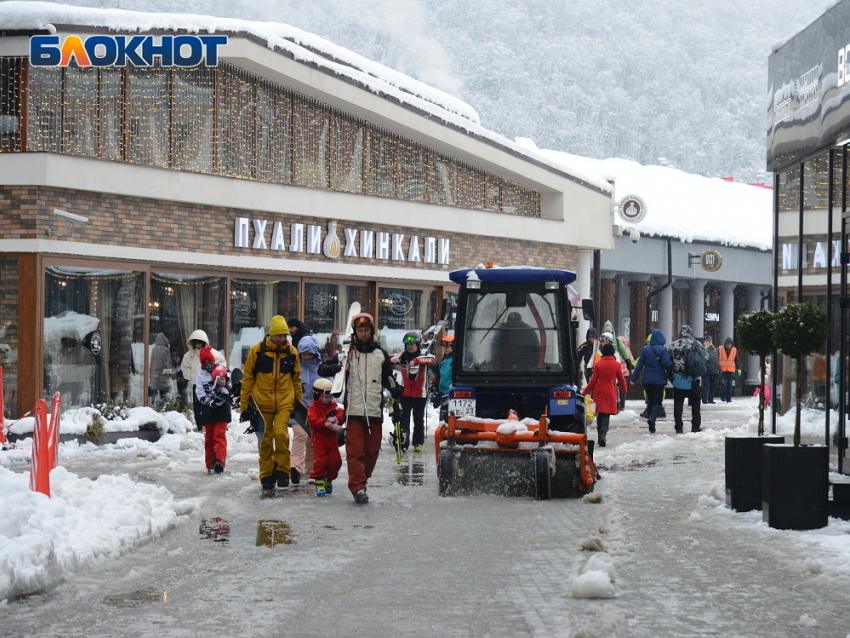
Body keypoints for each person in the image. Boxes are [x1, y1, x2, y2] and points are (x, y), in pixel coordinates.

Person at [319, 312, 401, 504]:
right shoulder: (347, 354)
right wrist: (332, 369)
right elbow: (322, 368)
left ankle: (362, 478)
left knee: (372, 451)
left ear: (371, 331)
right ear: (355, 332)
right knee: (355, 452)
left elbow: (388, 378)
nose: (363, 333)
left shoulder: (380, 354)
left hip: (374, 411)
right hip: (354, 411)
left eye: (366, 330)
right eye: (360, 330)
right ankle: (358, 488)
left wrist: (396, 390)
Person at [239, 316, 303, 493]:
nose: (283, 338)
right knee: (265, 440)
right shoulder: (257, 351)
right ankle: (266, 475)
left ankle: (283, 472)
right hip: (261, 403)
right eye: (279, 335)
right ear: (272, 335)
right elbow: (248, 379)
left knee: (281, 435)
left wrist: (298, 404)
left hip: (284, 401)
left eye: (285, 335)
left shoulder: (291, 353)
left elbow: (296, 379)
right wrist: (245, 406)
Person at [391, 331, 434, 453]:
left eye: (412, 344)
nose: (410, 346)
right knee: (404, 418)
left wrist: (416, 361)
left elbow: (432, 360)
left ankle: (418, 442)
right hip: (405, 393)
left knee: (418, 420)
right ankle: (404, 442)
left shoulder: (424, 355)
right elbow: (391, 358)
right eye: (407, 344)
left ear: (417, 344)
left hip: (420, 394)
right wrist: (392, 360)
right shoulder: (402, 355)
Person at [291, 332, 322, 485]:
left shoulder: (321, 368)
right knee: (300, 435)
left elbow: (328, 386)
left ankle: (311, 472)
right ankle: (295, 467)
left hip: (316, 410)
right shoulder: (296, 368)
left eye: (310, 354)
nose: (307, 357)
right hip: (299, 409)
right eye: (304, 354)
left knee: (312, 439)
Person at [582, 342, 627, 447]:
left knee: (600, 413)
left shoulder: (598, 364)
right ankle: (603, 435)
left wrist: (584, 392)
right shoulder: (617, 365)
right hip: (610, 391)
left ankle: (599, 436)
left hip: (599, 391)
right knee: (606, 414)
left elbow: (593, 381)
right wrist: (624, 390)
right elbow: (621, 379)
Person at [195, 347, 232, 474]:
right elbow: (199, 392)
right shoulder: (200, 377)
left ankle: (219, 462)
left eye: (210, 363)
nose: (208, 366)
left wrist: (224, 385)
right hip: (208, 412)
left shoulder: (223, 372)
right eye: (205, 364)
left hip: (222, 411)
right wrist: (208, 402)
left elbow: (231, 391)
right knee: (209, 439)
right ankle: (210, 463)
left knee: (219, 436)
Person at [307, 378, 345, 497]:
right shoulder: (313, 408)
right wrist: (327, 424)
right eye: (326, 396)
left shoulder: (333, 407)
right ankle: (319, 480)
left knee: (335, 461)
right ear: (318, 395)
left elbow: (341, 412)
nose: (329, 399)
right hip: (319, 440)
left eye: (330, 396)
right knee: (321, 461)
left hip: (332, 441)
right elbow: (313, 420)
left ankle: (329, 478)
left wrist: (336, 419)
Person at [181, 329, 226, 430]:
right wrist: (192, 376)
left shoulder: (214, 353)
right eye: (195, 342)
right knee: (197, 408)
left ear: (204, 342)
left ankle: (209, 427)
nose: (198, 345)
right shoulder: (189, 356)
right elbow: (184, 367)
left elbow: (222, 364)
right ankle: (200, 428)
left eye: (200, 342)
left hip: (210, 385)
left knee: (209, 406)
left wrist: (214, 375)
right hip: (197, 385)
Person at [631, 329, 672, 433]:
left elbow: (639, 365)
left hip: (647, 380)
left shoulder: (645, 349)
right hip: (659, 381)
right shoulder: (663, 350)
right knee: (658, 402)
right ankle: (652, 419)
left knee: (650, 401)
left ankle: (651, 425)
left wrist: (633, 379)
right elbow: (667, 364)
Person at [668, 325, 708, 433]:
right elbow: (705, 358)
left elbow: (668, 361)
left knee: (678, 404)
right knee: (695, 403)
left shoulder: (673, 345)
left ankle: (678, 426)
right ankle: (695, 426)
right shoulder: (696, 344)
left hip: (678, 379)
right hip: (693, 379)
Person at [148, 332, 171, 404]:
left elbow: (151, 363)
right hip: (162, 375)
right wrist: (169, 373)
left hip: (154, 375)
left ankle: (152, 405)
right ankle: (162, 406)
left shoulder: (154, 349)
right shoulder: (166, 349)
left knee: (154, 392)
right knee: (163, 393)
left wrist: (151, 375)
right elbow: (168, 363)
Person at [719, 337, 741, 403]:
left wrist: (739, 368)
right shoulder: (720, 349)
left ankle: (728, 398)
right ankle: (722, 395)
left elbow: (737, 360)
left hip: (731, 370)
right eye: (727, 344)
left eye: (730, 344)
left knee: (729, 384)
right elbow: (716, 359)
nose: (729, 346)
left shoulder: (734, 350)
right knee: (724, 383)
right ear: (725, 344)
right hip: (722, 370)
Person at [702, 336, 720, 404]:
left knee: (713, 386)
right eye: (707, 341)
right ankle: (704, 399)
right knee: (706, 385)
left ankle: (710, 399)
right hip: (706, 371)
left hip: (714, 371)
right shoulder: (703, 349)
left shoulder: (714, 349)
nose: (709, 343)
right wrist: (705, 348)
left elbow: (716, 360)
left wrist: (718, 369)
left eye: (710, 341)